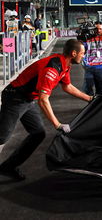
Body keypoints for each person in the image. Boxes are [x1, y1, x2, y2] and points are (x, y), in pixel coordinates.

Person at [0, 39, 92, 180]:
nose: (83, 56)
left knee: (38, 133)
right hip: (15, 98)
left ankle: (8, 167)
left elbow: (67, 86)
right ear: (74, 53)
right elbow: (43, 99)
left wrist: (90, 99)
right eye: (82, 53)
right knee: (2, 137)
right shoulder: (52, 68)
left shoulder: (65, 65)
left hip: (28, 99)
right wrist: (57, 124)